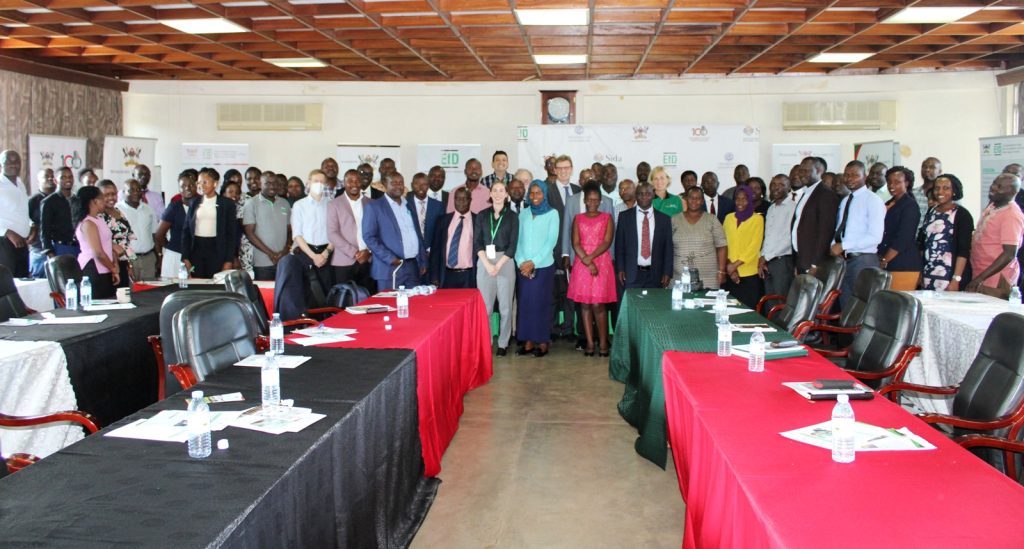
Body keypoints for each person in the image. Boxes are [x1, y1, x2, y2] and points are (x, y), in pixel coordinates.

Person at [567, 183, 617, 357]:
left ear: (600, 201)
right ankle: (589, 343)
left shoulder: (607, 217)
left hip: (601, 263)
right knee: (585, 305)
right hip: (583, 264)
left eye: (596, 199)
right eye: (590, 199)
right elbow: (575, 243)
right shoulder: (578, 218)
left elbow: (607, 242)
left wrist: (591, 258)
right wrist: (587, 261)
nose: (593, 202)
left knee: (598, 305)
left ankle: (603, 343)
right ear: (585, 200)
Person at [830, 161, 886, 308]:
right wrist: (834, 245)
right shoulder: (845, 200)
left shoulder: (873, 200)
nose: (850, 178)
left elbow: (875, 237)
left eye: (855, 175)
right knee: (846, 307)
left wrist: (843, 245)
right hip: (844, 261)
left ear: (865, 176)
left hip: (863, 261)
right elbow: (840, 228)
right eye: (847, 175)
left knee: (861, 309)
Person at [515, 180, 560, 358]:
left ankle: (542, 341)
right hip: (523, 267)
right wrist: (521, 262)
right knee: (525, 304)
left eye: (538, 193)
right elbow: (517, 240)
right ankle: (528, 341)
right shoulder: (523, 214)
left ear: (544, 194)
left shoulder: (552, 214)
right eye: (532, 193)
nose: (534, 197)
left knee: (541, 305)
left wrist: (532, 262)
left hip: (543, 267)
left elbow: (551, 242)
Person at [475, 181, 518, 356]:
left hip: (505, 262)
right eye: (495, 190)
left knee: (506, 307)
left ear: (507, 195)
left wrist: (498, 265)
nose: (498, 193)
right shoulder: (481, 215)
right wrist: (487, 264)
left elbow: (513, 245)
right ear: (490, 194)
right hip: (485, 261)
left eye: (502, 190)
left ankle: (503, 343)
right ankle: (486, 341)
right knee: (485, 307)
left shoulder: (513, 216)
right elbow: (477, 242)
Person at [363, 172, 426, 291]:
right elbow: (369, 237)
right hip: (390, 267)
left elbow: (417, 234)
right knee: (391, 306)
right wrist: (390, 258)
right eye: (394, 183)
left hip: (412, 266)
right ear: (385, 185)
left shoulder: (409, 205)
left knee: (414, 305)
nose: (398, 186)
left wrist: (422, 260)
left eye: (401, 183)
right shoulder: (374, 207)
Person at [966, 173, 1024, 298]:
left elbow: (1009, 254)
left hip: (996, 277)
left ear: (1012, 192)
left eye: (999, 186)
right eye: (994, 183)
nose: (993, 188)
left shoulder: (1012, 215)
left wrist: (980, 279)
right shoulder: (993, 206)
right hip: (980, 272)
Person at [615, 182, 672, 294]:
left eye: (648, 193)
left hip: (656, 274)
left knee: (653, 309)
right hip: (631, 273)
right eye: (640, 194)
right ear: (636, 195)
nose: (644, 197)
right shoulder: (624, 217)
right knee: (631, 307)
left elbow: (668, 248)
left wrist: (667, 272)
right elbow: (619, 246)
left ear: (653, 195)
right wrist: (620, 268)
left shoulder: (664, 219)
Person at [546, 155, 581, 340]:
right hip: (553, 249)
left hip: (576, 251)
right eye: (560, 168)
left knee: (571, 292)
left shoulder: (579, 190)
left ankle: (568, 329)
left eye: (567, 167)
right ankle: (552, 329)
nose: (563, 171)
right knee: (552, 293)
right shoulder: (547, 191)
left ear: (572, 168)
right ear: (555, 170)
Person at [919, 174, 973, 292]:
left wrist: (956, 279)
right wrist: (921, 273)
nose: (940, 191)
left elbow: (963, 251)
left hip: (950, 276)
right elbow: (924, 244)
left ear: (954, 191)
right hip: (929, 272)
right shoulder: (931, 211)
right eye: (937, 188)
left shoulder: (962, 215)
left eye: (946, 188)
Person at [182, 168, 238, 279]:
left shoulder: (227, 204)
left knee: (215, 286)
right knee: (197, 285)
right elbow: (186, 231)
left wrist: (228, 260)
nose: (201, 185)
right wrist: (185, 257)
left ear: (215, 183)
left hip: (216, 250)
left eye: (205, 182)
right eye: (199, 182)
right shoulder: (194, 202)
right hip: (196, 250)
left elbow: (232, 235)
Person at [327, 169, 374, 292]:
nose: (354, 184)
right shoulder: (334, 204)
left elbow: (376, 231)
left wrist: (368, 252)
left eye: (357, 181)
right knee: (345, 301)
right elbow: (332, 233)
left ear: (361, 183)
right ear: (344, 183)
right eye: (350, 181)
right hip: (344, 261)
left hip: (367, 260)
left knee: (367, 300)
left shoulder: (371, 203)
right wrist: (354, 253)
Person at [792, 156, 839, 275]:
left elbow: (825, 232)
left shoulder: (825, 194)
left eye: (805, 170)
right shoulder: (806, 193)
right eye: (800, 171)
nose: (800, 174)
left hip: (813, 263)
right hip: (801, 258)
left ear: (818, 171)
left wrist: (816, 264)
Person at [878, 166, 923, 290]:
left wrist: (884, 259)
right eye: (889, 182)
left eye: (897, 182)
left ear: (907, 183)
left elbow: (904, 238)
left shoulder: (910, 205)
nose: (892, 185)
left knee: (898, 303)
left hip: (903, 263)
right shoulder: (889, 203)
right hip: (889, 262)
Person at [673, 187, 727, 289]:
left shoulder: (712, 219)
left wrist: (721, 270)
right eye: (691, 197)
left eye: (698, 198)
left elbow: (722, 246)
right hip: (680, 276)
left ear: (702, 201)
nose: (694, 201)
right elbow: (666, 247)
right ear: (686, 199)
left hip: (708, 278)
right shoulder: (674, 219)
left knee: (707, 304)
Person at [291, 169, 334, 294]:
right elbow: (297, 235)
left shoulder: (332, 205)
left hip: (327, 253)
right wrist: (314, 256)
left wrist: (325, 254)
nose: (319, 184)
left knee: (327, 292)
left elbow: (335, 233)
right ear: (308, 183)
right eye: (316, 181)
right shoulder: (299, 205)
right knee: (307, 292)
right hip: (306, 252)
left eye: (322, 182)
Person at [243, 170, 291, 281]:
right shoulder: (251, 203)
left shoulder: (285, 203)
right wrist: (271, 254)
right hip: (263, 263)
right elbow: (249, 233)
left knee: (283, 295)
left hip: (283, 260)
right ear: (260, 184)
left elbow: (289, 231)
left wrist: (284, 251)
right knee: (264, 295)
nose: (272, 186)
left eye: (275, 183)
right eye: (268, 183)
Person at [722, 185, 764, 309]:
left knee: (747, 310)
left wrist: (735, 265)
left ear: (750, 199)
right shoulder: (729, 218)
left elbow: (754, 247)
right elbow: (723, 243)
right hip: (730, 273)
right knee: (730, 310)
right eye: (737, 198)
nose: (740, 202)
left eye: (744, 198)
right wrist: (730, 267)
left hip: (748, 273)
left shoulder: (757, 219)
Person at [73, 186, 118, 298]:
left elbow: (108, 244)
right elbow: (98, 253)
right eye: (102, 198)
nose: (105, 201)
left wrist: (114, 265)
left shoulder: (99, 219)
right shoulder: (88, 223)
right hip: (93, 269)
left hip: (105, 267)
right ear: (94, 201)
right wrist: (113, 269)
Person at [758, 174, 796, 303]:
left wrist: (766, 257)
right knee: (770, 301)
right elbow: (768, 236)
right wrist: (762, 257)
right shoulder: (771, 208)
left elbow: (789, 238)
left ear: (789, 188)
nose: (776, 188)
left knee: (781, 301)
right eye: (774, 184)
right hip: (768, 261)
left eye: (781, 185)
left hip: (782, 262)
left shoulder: (793, 208)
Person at [431, 187, 476, 289]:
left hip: (469, 276)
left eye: (465, 198)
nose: (461, 201)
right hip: (446, 274)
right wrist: (434, 276)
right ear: (454, 200)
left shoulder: (478, 221)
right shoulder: (442, 220)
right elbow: (435, 251)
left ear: (470, 200)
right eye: (458, 198)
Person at [116, 178, 159, 281]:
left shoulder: (148, 209)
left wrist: (159, 256)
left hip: (148, 258)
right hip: (128, 260)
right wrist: (128, 261)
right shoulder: (117, 210)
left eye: (138, 189)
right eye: (131, 190)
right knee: (130, 293)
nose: (135, 192)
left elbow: (154, 235)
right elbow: (117, 239)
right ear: (124, 192)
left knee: (149, 294)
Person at [155, 173, 196, 278]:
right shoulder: (174, 207)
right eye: (183, 186)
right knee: (171, 289)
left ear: (196, 186)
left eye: (191, 185)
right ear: (179, 188)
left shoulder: (201, 206)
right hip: (174, 256)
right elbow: (159, 235)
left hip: (194, 256)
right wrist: (172, 247)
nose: (187, 188)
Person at [98, 180, 134, 287]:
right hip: (109, 264)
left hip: (123, 262)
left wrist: (129, 265)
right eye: (106, 195)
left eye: (113, 194)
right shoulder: (99, 216)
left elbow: (125, 239)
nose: (111, 198)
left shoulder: (119, 211)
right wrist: (114, 266)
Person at [40, 166, 80, 260]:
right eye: (63, 177)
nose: (67, 179)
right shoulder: (49, 201)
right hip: (60, 248)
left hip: (79, 247)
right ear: (55, 180)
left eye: (70, 177)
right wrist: (49, 251)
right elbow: (45, 230)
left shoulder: (78, 200)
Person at [406, 172, 444, 262]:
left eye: (424, 184)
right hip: (411, 255)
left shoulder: (438, 206)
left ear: (428, 185)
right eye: (417, 184)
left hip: (432, 255)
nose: (420, 187)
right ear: (412, 185)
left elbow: (441, 232)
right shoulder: (405, 204)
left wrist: (431, 249)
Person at [28, 168, 56, 277]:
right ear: (38, 181)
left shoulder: (61, 199)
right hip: (39, 249)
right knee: (39, 283)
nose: (50, 179)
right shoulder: (33, 200)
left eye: (52, 176)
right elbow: (27, 221)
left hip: (57, 248)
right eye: (46, 176)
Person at [915, 157, 942, 225]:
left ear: (940, 171)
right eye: (924, 167)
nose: (927, 170)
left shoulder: (946, 196)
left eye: (932, 167)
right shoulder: (912, 193)